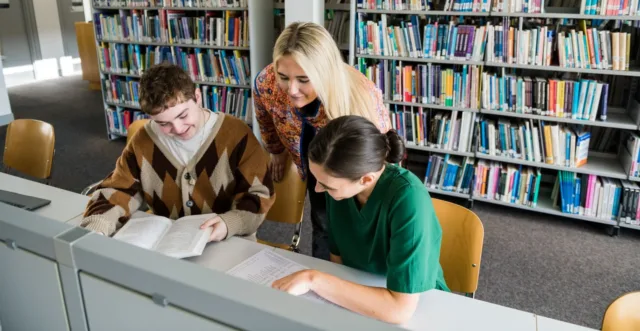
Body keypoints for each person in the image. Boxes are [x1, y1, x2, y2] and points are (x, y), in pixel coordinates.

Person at [272, 116, 449, 324]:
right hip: (359, 289)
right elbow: (338, 262)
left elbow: (399, 310)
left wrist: (314, 279)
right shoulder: (340, 191)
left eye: (327, 185)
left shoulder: (409, 198)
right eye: (317, 180)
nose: (318, 190)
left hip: (419, 303)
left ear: (366, 179)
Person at [81, 63, 274, 241]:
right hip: (170, 244)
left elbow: (259, 194)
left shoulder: (237, 134)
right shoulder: (143, 141)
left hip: (230, 241)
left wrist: (230, 223)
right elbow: (118, 189)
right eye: (163, 123)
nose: (178, 128)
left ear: (197, 98)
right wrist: (97, 227)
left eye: (183, 115)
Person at [253, 22, 390, 260]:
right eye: (284, 77)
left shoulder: (360, 95)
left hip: (356, 172)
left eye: (304, 80)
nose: (292, 89)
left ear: (323, 73)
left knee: (362, 231)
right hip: (314, 164)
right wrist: (276, 151)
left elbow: (379, 155)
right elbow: (265, 118)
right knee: (323, 225)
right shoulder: (267, 83)